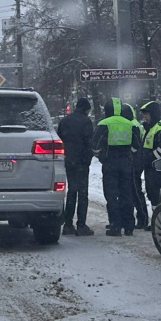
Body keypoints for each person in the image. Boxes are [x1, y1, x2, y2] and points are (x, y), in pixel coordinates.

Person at [93, 97, 142, 237]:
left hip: (110, 162)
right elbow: (137, 144)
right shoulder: (130, 124)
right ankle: (129, 226)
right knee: (127, 193)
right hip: (126, 161)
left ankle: (115, 225)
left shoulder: (103, 124)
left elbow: (94, 145)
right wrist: (128, 154)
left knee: (112, 194)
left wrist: (101, 156)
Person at [56, 97, 94, 236]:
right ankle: (81, 225)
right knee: (83, 193)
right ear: (86, 109)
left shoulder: (65, 120)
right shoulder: (86, 121)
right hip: (82, 162)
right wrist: (88, 158)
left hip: (69, 160)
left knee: (72, 191)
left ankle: (68, 224)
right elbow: (89, 142)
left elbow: (60, 138)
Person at [139, 100, 161, 228]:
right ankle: (156, 220)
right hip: (150, 167)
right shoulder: (150, 128)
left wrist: (149, 158)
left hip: (158, 167)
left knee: (157, 193)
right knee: (151, 192)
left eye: (147, 114)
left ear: (154, 114)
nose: (145, 117)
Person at [123, 102, 148, 230]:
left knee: (135, 190)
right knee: (134, 189)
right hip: (137, 160)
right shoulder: (135, 124)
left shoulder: (132, 125)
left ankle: (142, 218)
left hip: (135, 161)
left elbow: (136, 144)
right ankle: (140, 217)